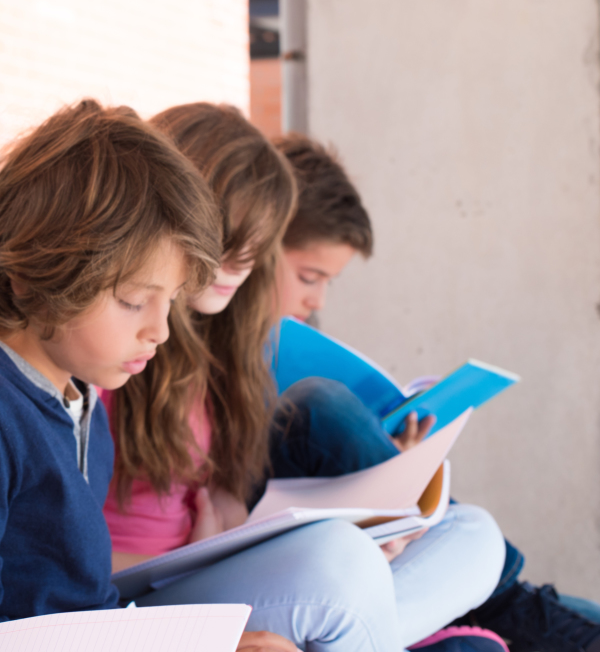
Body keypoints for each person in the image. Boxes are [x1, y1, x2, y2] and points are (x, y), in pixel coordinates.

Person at [0, 100, 294, 652]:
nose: (160, 331)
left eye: (171, 302)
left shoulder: (78, 402)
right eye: (135, 300)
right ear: (31, 275)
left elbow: (85, 611)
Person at [103, 103, 505, 652]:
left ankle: (367, 623)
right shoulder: (113, 351)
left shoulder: (221, 353)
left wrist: (366, 531)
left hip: (209, 569)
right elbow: (58, 560)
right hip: (139, 591)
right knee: (342, 564)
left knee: (476, 536)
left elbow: (225, 511)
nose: (243, 260)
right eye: (232, 235)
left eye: (259, 242)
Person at [271, 134, 600, 652]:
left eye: (328, 282)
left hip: (394, 553)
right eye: (309, 277)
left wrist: (395, 462)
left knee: (489, 548)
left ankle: (500, 586)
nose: (316, 301)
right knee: (328, 408)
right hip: (337, 567)